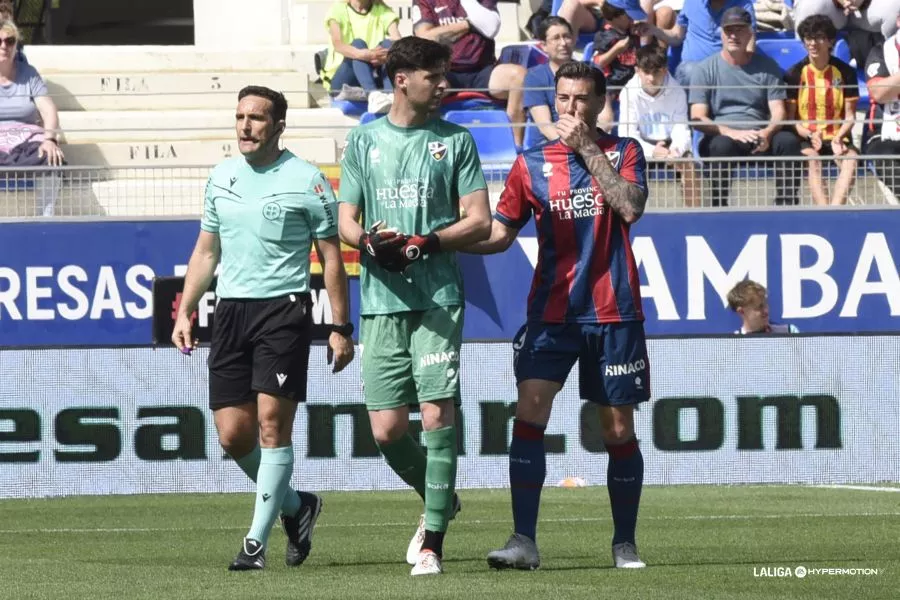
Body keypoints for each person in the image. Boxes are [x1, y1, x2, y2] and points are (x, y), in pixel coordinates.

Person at [465, 61, 651, 571]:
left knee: (617, 428)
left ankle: (624, 543)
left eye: (581, 99)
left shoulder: (624, 151)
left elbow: (630, 207)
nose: (571, 108)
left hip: (613, 314)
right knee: (529, 411)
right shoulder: (531, 163)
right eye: (563, 98)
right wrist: (440, 242)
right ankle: (523, 540)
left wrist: (588, 149)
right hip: (551, 313)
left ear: (600, 103)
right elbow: (500, 234)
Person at [172, 85, 355, 571]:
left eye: (256, 118)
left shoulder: (308, 180)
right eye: (240, 117)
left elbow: (331, 258)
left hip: (284, 311)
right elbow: (206, 251)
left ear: (278, 127)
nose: (245, 126)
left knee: (273, 426)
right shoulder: (221, 176)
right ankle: (297, 506)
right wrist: (185, 310)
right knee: (234, 435)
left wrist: (341, 326)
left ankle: (255, 544)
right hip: (230, 312)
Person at [336, 36, 492, 576]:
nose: (444, 84)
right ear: (402, 79)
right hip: (381, 300)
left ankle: (433, 545)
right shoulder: (364, 140)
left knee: (435, 414)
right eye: (434, 75)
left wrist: (428, 242)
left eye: (445, 74)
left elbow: (479, 220)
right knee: (386, 430)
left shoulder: (457, 140)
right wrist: (367, 242)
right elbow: (345, 219)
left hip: (439, 297)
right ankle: (440, 497)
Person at [689, 7, 801, 206]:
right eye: (728, 30)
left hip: (759, 134)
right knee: (720, 145)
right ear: (721, 34)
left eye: (739, 30)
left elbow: (779, 111)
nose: (733, 35)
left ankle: (786, 205)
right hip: (724, 135)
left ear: (750, 33)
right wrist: (731, 133)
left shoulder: (768, 67)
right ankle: (718, 207)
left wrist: (767, 133)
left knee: (788, 141)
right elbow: (697, 117)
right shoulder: (704, 69)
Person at [412, 0, 527, 147]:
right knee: (425, 83)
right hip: (445, 71)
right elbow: (424, 37)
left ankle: (516, 146)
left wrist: (442, 32)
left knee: (519, 77)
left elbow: (491, 26)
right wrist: (469, 24)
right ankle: (427, 144)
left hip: (483, 70)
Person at [784, 15, 860, 206]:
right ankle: (824, 212)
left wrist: (838, 137)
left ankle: (835, 210)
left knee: (851, 159)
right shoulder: (794, 73)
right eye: (808, 38)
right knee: (813, 160)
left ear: (830, 41)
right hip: (807, 136)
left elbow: (850, 116)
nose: (812, 43)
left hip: (837, 135)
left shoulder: (845, 72)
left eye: (818, 38)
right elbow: (791, 119)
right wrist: (809, 134)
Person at [620, 44, 700, 206]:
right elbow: (627, 134)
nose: (651, 78)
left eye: (656, 72)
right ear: (637, 71)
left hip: (671, 146)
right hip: (641, 145)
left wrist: (676, 150)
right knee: (628, 164)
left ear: (664, 70)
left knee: (688, 164)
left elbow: (681, 128)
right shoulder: (628, 92)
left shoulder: (677, 91)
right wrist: (653, 152)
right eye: (646, 72)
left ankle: (693, 213)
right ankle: (632, 215)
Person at [0, 19, 64, 216]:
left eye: (10, 41)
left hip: (26, 140)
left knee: (51, 157)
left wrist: (50, 139)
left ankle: (46, 217)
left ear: (16, 45)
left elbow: (48, 109)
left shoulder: (29, 74)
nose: (4, 46)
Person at [640, 0, 756, 88]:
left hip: (727, 70)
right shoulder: (692, 2)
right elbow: (677, 36)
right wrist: (654, 30)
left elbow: (749, 45)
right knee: (691, 71)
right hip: (691, 71)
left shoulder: (743, 4)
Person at [322, 0, 401, 114]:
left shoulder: (383, 11)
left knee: (390, 45)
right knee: (357, 44)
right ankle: (373, 95)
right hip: (344, 79)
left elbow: (397, 40)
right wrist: (365, 55)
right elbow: (338, 44)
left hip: (373, 73)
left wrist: (386, 54)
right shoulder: (338, 9)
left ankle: (390, 95)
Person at [590, 0, 646, 132]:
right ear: (616, 16)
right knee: (607, 119)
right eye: (629, 16)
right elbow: (598, 62)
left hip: (632, 85)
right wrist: (617, 49)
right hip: (611, 86)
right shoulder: (605, 35)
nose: (633, 20)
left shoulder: (631, 32)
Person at [863, 13, 900, 200]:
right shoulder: (882, 50)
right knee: (885, 158)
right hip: (886, 133)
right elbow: (879, 93)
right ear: (899, 21)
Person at [523, 16, 576, 147]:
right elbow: (545, 126)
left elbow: (605, 117)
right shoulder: (535, 77)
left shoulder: (590, 72)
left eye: (567, 36)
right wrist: (575, 147)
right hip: (550, 145)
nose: (563, 43)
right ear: (544, 46)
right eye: (556, 38)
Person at [727, 279, 799, 334]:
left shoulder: (789, 332)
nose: (766, 310)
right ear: (741, 311)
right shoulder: (733, 344)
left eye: (765, 304)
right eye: (759, 307)